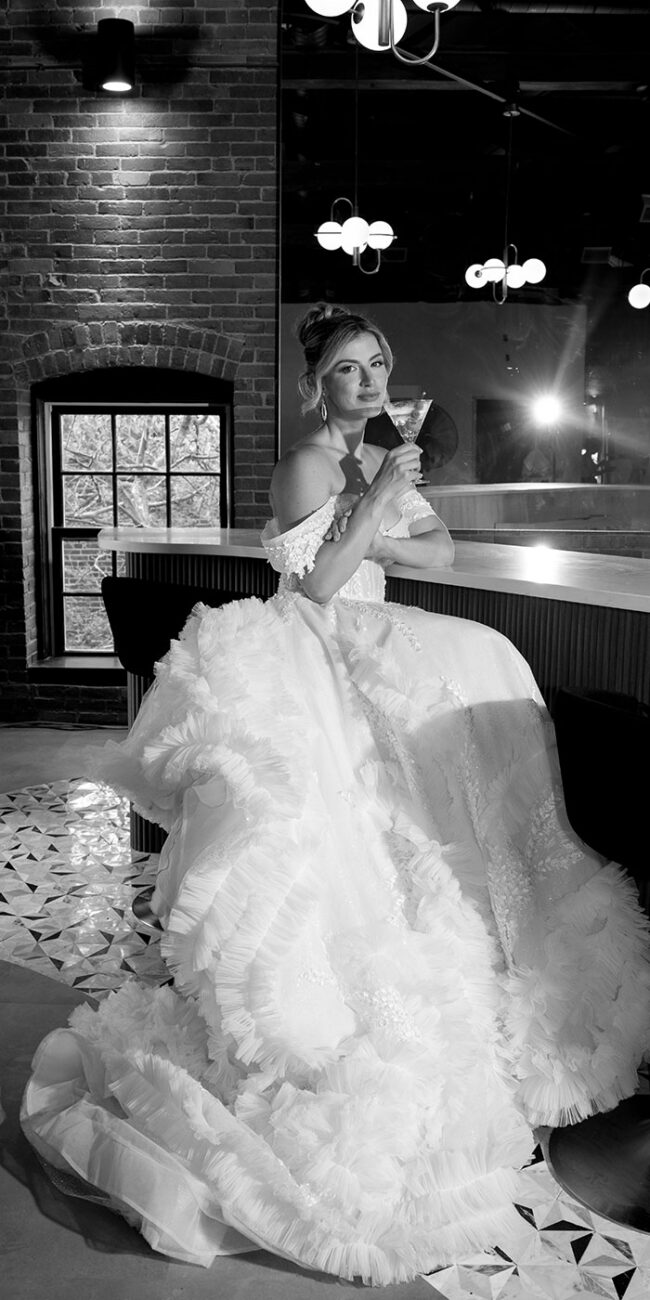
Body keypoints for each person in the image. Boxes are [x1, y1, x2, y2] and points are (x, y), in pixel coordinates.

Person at [21, 304, 650, 1286]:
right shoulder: (307, 464)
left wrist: (391, 514)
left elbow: (438, 555)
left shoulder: (381, 459)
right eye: (350, 368)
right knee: (343, 838)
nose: (369, 379)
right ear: (316, 384)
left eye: (378, 364)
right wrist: (379, 504)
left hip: (376, 633)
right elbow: (315, 587)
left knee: (486, 674)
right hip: (311, 644)